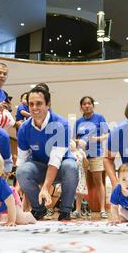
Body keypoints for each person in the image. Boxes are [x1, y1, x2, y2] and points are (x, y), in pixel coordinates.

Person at [16, 86, 78, 221]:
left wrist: (45, 188)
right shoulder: (24, 129)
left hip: (61, 168)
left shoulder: (62, 124)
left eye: (39, 103)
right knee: (22, 171)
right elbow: (21, 160)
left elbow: (55, 160)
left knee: (71, 166)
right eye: (31, 104)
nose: (34, 107)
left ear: (48, 104)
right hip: (40, 168)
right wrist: (17, 188)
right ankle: (39, 209)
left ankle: (65, 210)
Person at [74, 96, 109, 218]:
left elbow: (106, 135)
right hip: (81, 155)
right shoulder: (78, 122)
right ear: (81, 106)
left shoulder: (100, 118)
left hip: (96, 154)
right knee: (79, 182)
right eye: (84, 104)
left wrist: (95, 139)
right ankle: (77, 210)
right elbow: (74, 139)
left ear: (93, 105)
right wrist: (80, 141)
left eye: (89, 103)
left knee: (98, 182)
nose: (87, 106)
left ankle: (102, 209)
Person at [69, 140, 88, 219]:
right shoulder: (67, 152)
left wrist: (84, 157)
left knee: (79, 192)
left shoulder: (80, 152)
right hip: (70, 175)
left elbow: (86, 164)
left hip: (80, 174)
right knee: (69, 191)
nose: (70, 144)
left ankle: (78, 210)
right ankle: (68, 208)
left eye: (72, 142)